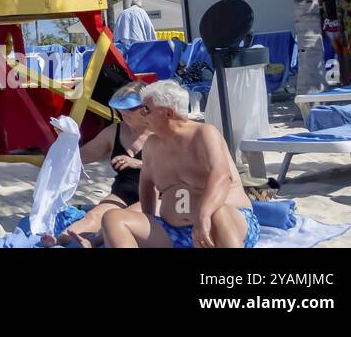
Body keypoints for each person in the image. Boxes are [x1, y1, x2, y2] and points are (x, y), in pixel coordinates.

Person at [101, 80, 259, 249]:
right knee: (112, 218)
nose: (143, 115)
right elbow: (147, 185)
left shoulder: (204, 133)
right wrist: (149, 220)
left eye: (146, 109)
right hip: (175, 231)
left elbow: (221, 176)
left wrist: (203, 216)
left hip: (225, 225)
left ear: (168, 113)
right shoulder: (152, 145)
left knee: (218, 211)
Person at [40, 83, 150, 247]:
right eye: (120, 107)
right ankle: (60, 240)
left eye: (129, 108)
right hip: (124, 190)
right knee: (95, 216)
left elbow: (177, 169)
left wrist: (139, 164)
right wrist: (67, 141)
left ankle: (92, 241)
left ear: (146, 109)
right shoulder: (115, 131)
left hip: (155, 193)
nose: (123, 112)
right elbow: (81, 158)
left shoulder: (163, 134)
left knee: (119, 219)